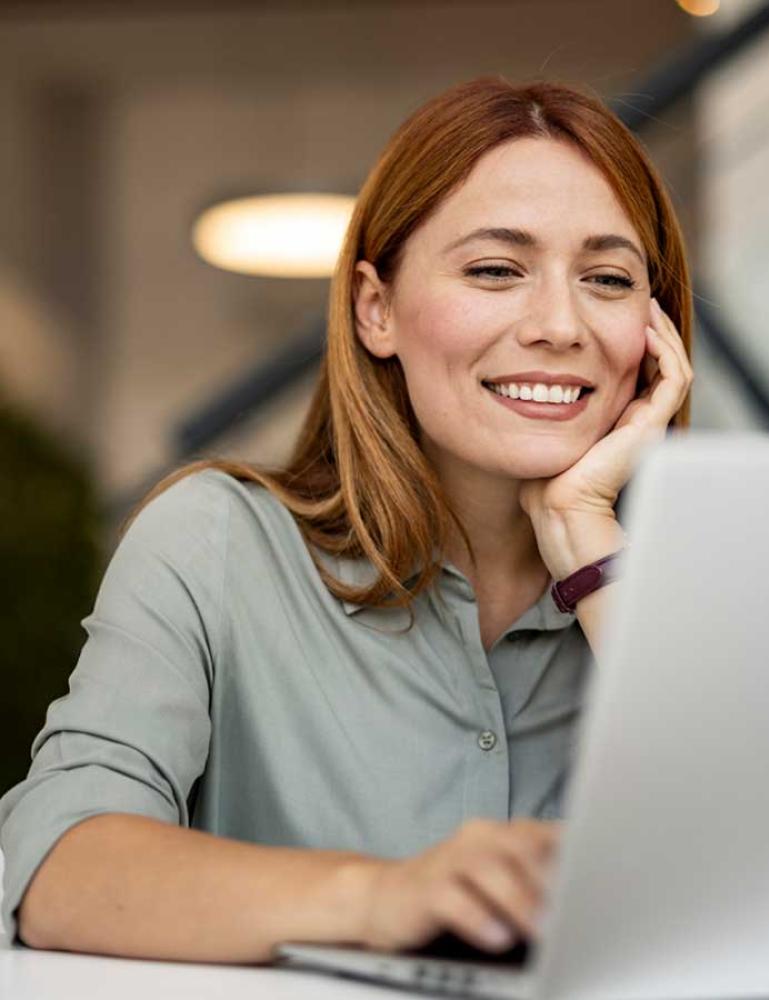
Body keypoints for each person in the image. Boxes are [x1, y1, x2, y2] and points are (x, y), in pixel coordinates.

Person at [0, 75, 693, 965]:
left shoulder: (688, 585)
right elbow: (59, 866)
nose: (561, 324)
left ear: (655, 328)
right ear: (377, 309)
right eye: (494, 269)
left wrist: (592, 547)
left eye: (607, 278)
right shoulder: (216, 543)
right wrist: (384, 896)